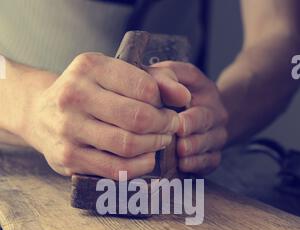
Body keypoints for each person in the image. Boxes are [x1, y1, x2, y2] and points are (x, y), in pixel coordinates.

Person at [0, 0, 299, 179]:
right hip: (13, 165)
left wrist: (217, 115)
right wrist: (32, 104)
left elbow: (283, 38)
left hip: (170, 185)